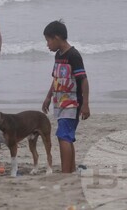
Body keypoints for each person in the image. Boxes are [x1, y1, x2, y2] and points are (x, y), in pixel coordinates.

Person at [42, 20, 90, 173]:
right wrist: (48, 97)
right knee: (66, 137)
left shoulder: (73, 55)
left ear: (57, 38)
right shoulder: (58, 55)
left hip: (72, 104)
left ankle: (65, 172)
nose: (47, 45)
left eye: (48, 40)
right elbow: (56, 78)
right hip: (59, 103)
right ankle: (71, 169)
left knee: (63, 136)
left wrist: (85, 104)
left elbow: (84, 80)